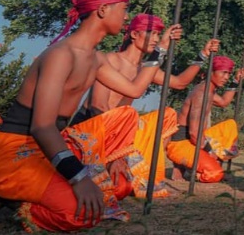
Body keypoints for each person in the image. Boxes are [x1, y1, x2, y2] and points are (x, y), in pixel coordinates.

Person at [0, 0, 167, 232]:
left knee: (124, 118)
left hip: (50, 147)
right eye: (125, 8)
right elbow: (41, 127)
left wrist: (159, 51)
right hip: (15, 152)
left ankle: (1, 195)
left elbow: (136, 89)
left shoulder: (96, 59)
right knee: (82, 213)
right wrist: (79, 177)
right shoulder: (61, 55)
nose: (127, 17)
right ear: (103, 9)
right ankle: (6, 198)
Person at [73, 13, 219, 198]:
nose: (156, 39)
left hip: (120, 134)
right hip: (94, 131)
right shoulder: (110, 60)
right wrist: (116, 154)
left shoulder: (145, 69)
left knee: (167, 114)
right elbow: (97, 106)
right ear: (134, 35)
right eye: (151, 33)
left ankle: (143, 170)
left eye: (159, 34)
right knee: (115, 189)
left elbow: (180, 82)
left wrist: (203, 55)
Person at [166, 55, 244, 184]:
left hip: (196, 139)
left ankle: (204, 163)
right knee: (215, 174)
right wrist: (210, 151)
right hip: (181, 143)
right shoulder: (201, 94)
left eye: (229, 74)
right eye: (223, 73)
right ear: (211, 72)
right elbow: (193, 133)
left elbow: (224, 102)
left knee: (230, 125)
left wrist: (236, 81)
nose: (226, 77)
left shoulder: (210, 92)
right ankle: (188, 168)